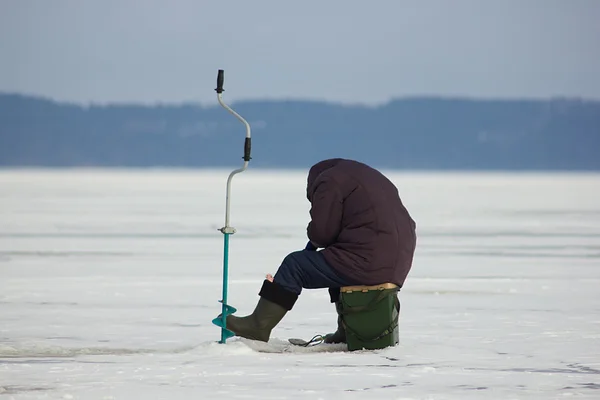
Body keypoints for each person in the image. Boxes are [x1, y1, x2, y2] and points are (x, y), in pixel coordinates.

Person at [221, 158, 417, 343]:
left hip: (369, 259)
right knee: (337, 258)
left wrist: (313, 235)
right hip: (397, 261)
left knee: (294, 265)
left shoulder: (328, 180)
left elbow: (323, 232)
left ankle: (258, 325)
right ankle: (347, 331)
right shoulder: (366, 177)